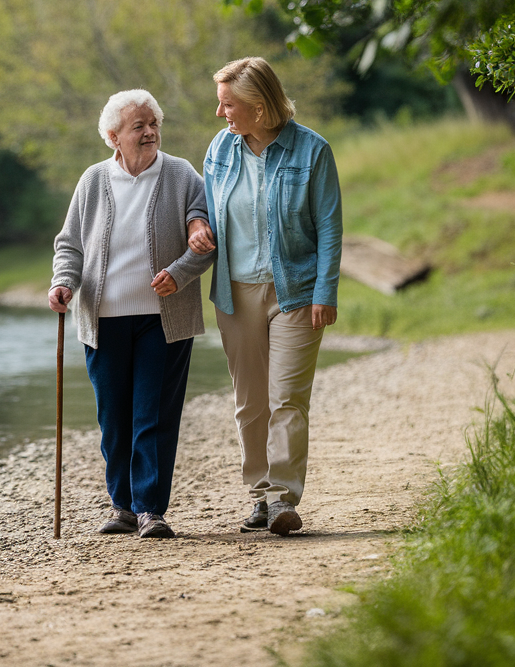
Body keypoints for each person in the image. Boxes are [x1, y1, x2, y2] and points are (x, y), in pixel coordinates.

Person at [49, 89, 215, 539]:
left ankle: (150, 509)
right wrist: (62, 281)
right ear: (112, 136)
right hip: (102, 320)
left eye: (153, 123)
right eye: (137, 126)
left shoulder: (182, 175)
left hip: (164, 318)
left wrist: (179, 274)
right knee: (114, 418)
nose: (149, 132)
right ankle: (121, 506)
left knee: (154, 413)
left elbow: (205, 239)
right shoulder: (93, 180)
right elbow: (70, 244)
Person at [188, 57, 342, 536]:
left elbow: (331, 226)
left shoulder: (312, 151)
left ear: (258, 105)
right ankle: (258, 495)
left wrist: (325, 290)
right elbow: (205, 205)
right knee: (250, 401)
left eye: (228, 104)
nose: (221, 114)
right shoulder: (221, 148)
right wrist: (197, 225)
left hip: (295, 291)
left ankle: (281, 501)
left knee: (287, 399)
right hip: (234, 292)